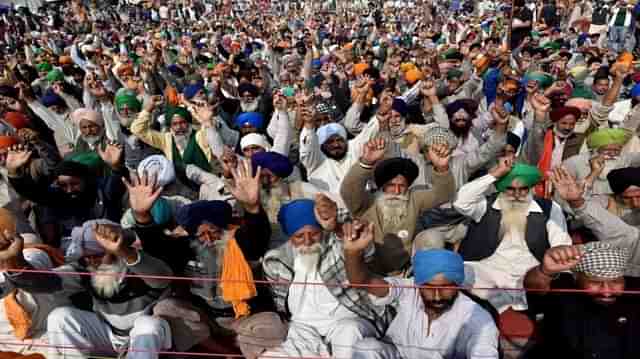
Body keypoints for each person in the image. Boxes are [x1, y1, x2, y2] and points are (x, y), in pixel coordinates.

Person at [0, 218, 173, 359]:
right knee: (60, 317)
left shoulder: (138, 263)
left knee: (148, 325)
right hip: (110, 336)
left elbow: (161, 279)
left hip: (149, 341)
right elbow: (45, 282)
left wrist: (125, 252)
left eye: (98, 255)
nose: (92, 262)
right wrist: (15, 261)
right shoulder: (86, 268)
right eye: (88, 257)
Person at [342, 228, 499, 359]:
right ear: (418, 284)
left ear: (457, 285)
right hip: (398, 355)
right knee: (367, 349)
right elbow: (361, 281)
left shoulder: (476, 318)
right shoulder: (409, 290)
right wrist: (352, 252)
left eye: (446, 288)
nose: (437, 296)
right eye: (429, 288)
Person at [261, 199, 389, 358]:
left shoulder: (336, 245)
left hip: (347, 321)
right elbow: (281, 305)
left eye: (314, 233)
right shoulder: (276, 261)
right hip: (303, 329)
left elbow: (364, 249)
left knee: (349, 337)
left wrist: (337, 225)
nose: (308, 241)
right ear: (290, 237)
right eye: (299, 236)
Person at [453, 160, 572, 312]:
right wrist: (494, 175)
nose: (517, 195)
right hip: (487, 269)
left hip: (529, 271)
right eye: (510, 189)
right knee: (463, 274)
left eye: (523, 189)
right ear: (501, 188)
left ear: (530, 189)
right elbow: (460, 202)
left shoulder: (548, 208)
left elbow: (561, 245)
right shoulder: (486, 205)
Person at [341, 138, 455, 275]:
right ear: (382, 186)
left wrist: (442, 168)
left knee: (433, 237)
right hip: (371, 271)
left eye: (401, 186)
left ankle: (426, 278)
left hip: (407, 268)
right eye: (390, 185)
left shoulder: (413, 198)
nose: (396, 191)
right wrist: (366, 162)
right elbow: (348, 190)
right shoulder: (366, 202)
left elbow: (443, 194)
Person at [524, 242, 640, 358]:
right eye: (595, 282)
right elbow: (535, 287)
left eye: (615, 282)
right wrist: (545, 271)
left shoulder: (634, 291)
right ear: (577, 278)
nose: (606, 291)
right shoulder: (564, 288)